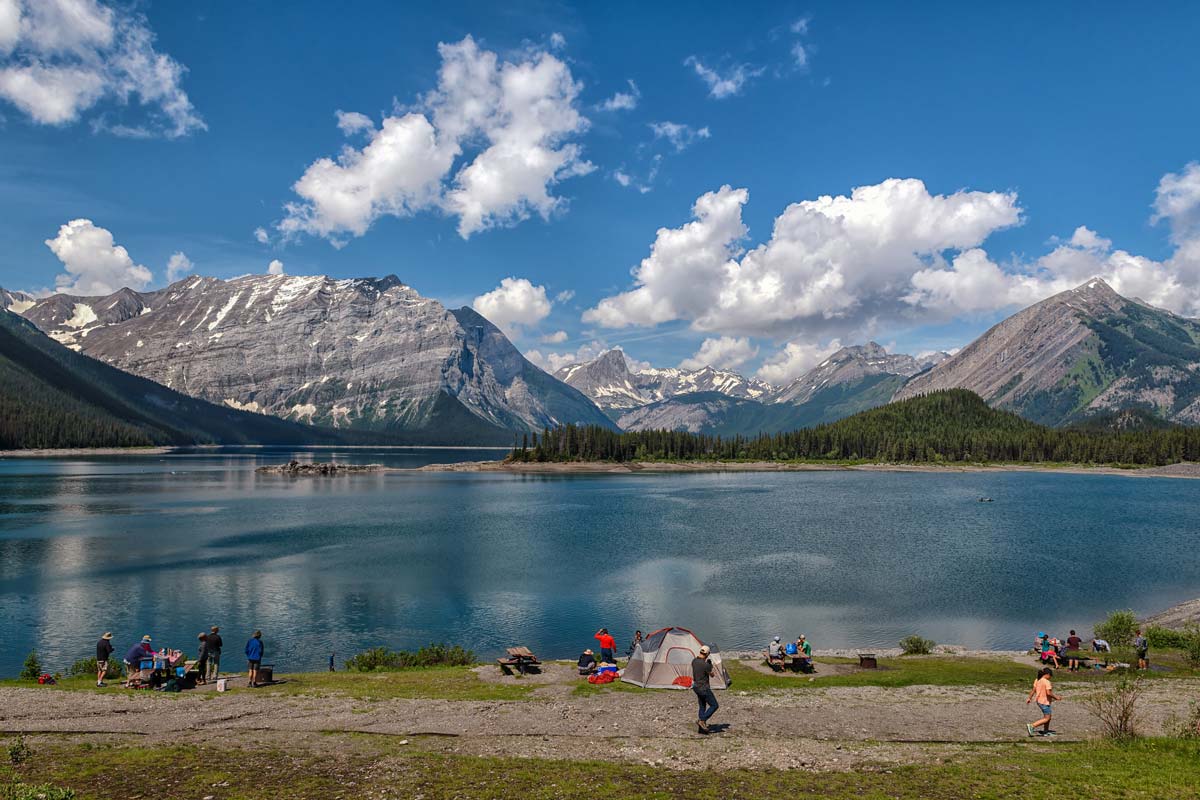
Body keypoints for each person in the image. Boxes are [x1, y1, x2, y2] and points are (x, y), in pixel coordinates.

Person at [691, 645, 719, 734]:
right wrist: (710, 665)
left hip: (696, 687)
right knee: (714, 705)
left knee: (702, 705)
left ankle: (701, 729)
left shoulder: (694, 661)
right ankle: (702, 720)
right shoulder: (706, 665)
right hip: (704, 688)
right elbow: (712, 675)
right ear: (707, 654)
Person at [1025, 667, 1061, 736]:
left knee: (1047, 717)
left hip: (1039, 701)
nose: (1050, 677)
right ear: (1047, 674)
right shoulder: (1047, 682)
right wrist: (1056, 697)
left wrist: (1029, 698)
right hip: (1044, 702)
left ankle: (1045, 731)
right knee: (1047, 718)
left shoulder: (1037, 680)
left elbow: (1033, 690)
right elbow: (1048, 693)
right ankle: (1032, 726)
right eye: (1050, 676)